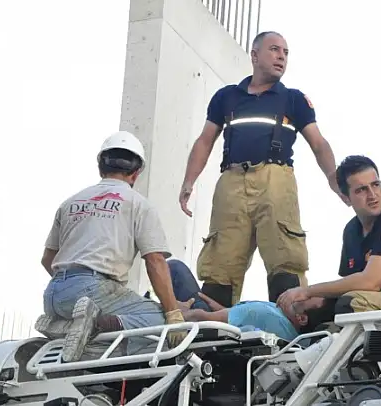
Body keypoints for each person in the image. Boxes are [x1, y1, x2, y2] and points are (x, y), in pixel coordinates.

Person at [179, 31, 341, 308]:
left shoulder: (293, 99)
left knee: (285, 258)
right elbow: (205, 140)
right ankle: (213, 329)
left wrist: (334, 178)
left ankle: (288, 326)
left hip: (275, 179)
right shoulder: (226, 97)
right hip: (232, 182)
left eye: (285, 52)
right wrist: (188, 182)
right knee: (221, 261)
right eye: (274, 49)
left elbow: (319, 143)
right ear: (254, 56)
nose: (281, 57)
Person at [34, 131, 188, 362]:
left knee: (121, 317)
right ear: (136, 173)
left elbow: (48, 259)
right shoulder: (138, 204)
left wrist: (72, 285)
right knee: (159, 320)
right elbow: (155, 261)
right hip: (93, 291)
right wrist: (173, 312)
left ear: (100, 168)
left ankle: (68, 325)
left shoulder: (71, 202)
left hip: (53, 294)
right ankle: (96, 325)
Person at [277, 155, 381, 315]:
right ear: (346, 198)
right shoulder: (351, 230)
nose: (372, 195)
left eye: (376, 185)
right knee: (311, 310)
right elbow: (349, 283)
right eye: (361, 190)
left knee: (352, 302)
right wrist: (304, 302)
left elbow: (371, 282)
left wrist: (307, 291)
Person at [167, 259, 328, 342]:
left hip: (203, 323)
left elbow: (205, 318)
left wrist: (177, 311)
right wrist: (214, 305)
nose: (300, 293)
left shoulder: (266, 315)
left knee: (175, 267)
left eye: (307, 297)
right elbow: (238, 318)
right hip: (221, 319)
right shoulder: (291, 334)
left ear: (302, 318)